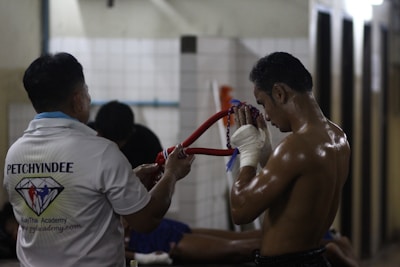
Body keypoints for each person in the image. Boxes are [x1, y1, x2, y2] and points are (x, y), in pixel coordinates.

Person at [3, 52, 194, 267]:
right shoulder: (101, 152)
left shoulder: (14, 154)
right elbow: (145, 220)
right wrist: (172, 174)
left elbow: (75, 197)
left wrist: (125, 180)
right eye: (86, 91)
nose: (89, 98)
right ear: (78, 101)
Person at [93, 100, 261, 264]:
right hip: (133, 233)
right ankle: (282, 240)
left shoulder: (144, 139)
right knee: (234, 248)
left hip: (142, 226)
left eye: (120, 143)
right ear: (100, 133)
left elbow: (155, 193)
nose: (116, 149)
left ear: (130, 133)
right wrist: (139, 257)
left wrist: (166, 176)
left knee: (231, 241)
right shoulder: (92, 150)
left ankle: (281, 238)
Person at [229, 52, 351, 266]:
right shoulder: (338, 137)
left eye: (263, 103)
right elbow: (293, 193)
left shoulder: (296, 147)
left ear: (279, 93)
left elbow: (240, 211)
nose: (265, 115)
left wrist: (248, 152)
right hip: (314, 258)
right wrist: (266, 153)